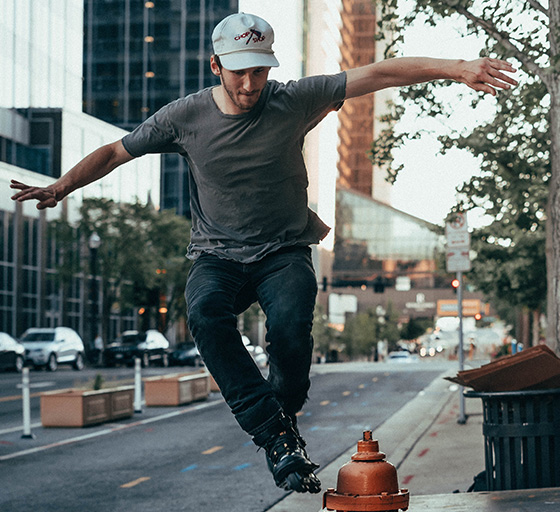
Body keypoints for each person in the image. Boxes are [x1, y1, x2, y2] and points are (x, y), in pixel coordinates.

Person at [10, 12, 516, 494]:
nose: (250, 85)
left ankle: (285, 415)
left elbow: (380, 72)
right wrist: (63, 186)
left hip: (284, 251)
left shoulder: (294, 99)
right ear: (216, 66)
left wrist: (459, 69)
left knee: (293, 326)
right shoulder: (184, 117)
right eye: (239, 74)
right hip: (217, 257)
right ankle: (276, 437)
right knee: (205, 313)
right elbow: (117, 151)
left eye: (259, 73)